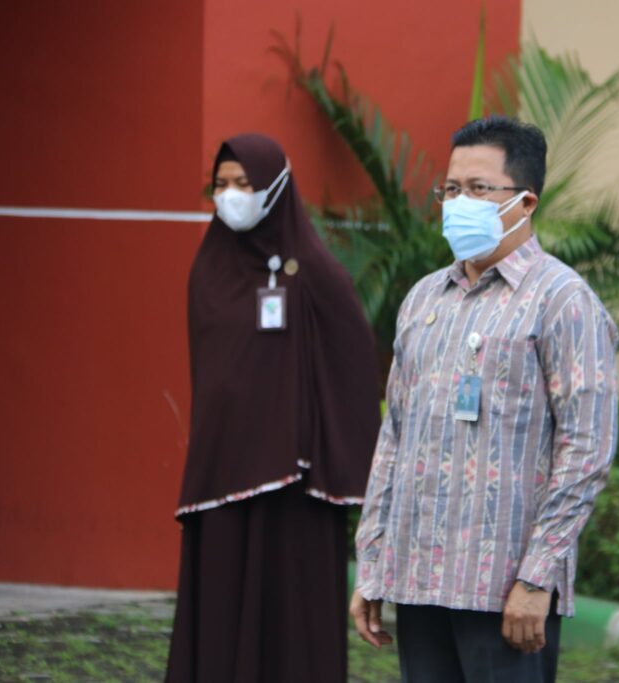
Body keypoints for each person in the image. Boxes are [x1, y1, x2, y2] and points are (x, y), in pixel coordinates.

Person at [350, 115, 619, 683]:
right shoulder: (424, 299)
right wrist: (372, 563)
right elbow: (394, 439)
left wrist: (536, 577)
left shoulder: (563, 300)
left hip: (504, 592)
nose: (458, 203)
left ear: (525, 202)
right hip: (419, 581)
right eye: (451, 189)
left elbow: (587, 450)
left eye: (477, 189)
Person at [166, 133, 381, 682]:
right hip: (221, 478)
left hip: (296, 489)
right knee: (221, 616)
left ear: (277, 187)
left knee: (289, 624)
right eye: (221, 185)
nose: (231, 195)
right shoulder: (208, 269)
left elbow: (355, 363)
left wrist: (326, 455)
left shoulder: (315, 272)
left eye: (245, 183)